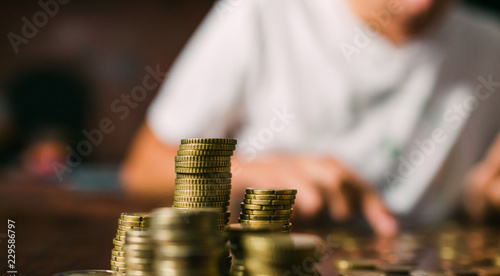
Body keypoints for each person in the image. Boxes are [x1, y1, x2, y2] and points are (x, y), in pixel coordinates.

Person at [120, 0, 500, 237]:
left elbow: (477, 199)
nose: (423, 4)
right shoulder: (259, 12)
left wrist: (482, 203)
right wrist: (253, 173)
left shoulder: (491, 46)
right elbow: (142, 167)